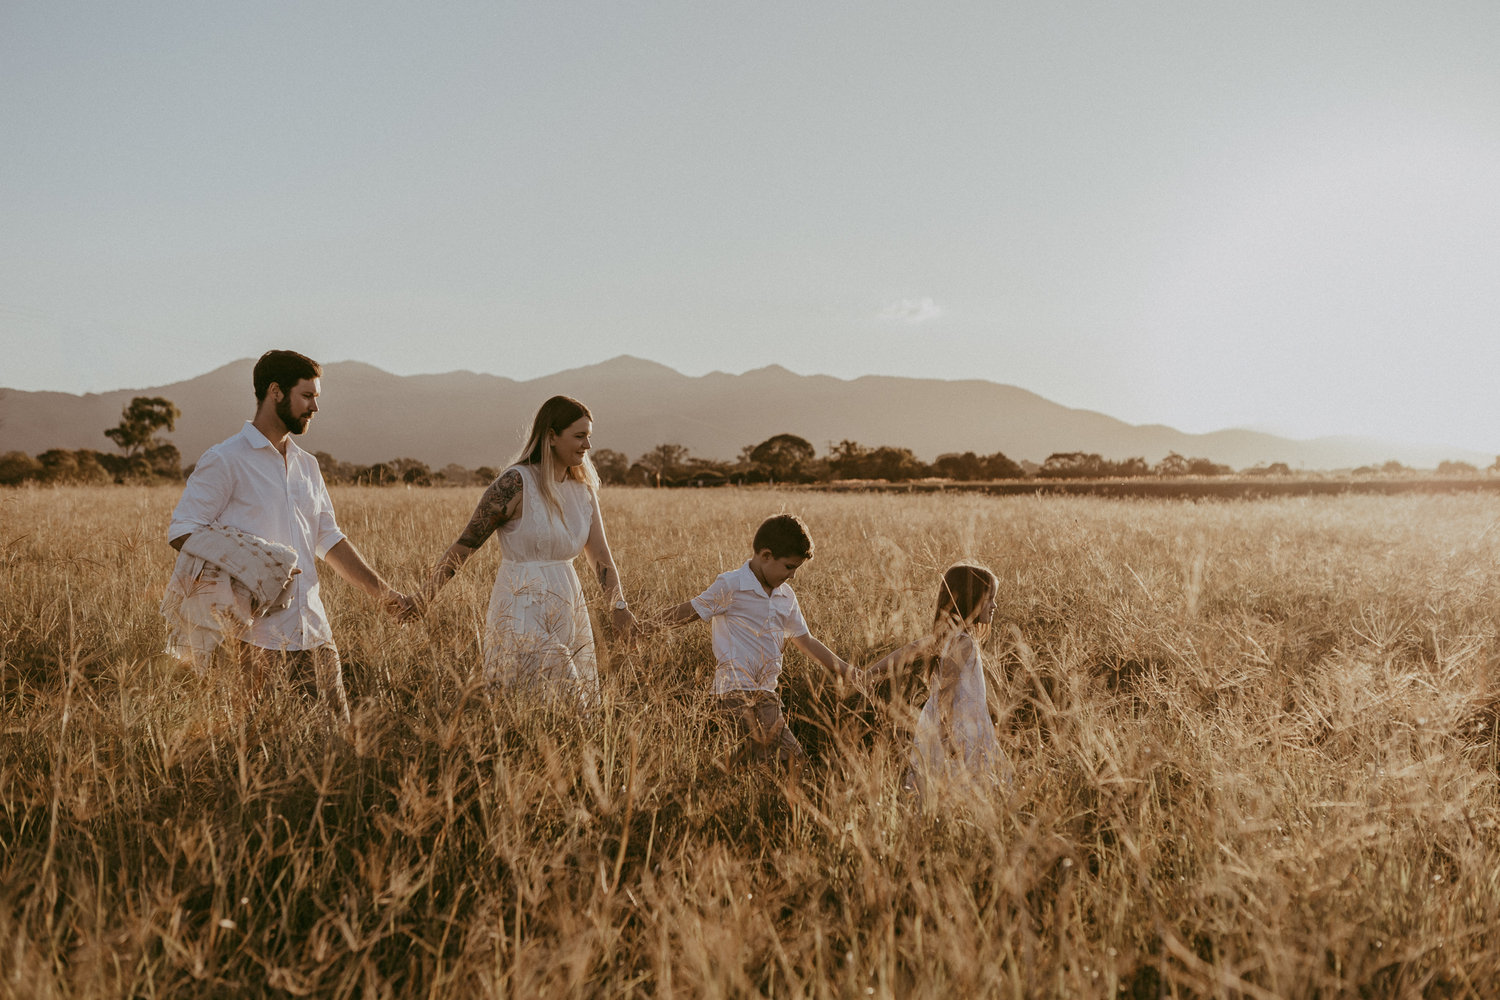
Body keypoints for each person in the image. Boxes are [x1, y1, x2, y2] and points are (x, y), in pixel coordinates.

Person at [167, 350, 413, 725]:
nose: (315, 407)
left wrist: (385, 594)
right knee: (256, 745)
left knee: (336, 742)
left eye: (316, 397)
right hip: (251, 639)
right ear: (276, 392)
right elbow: (184, 529)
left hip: (314, 632)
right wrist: (256, 561)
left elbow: (329, 539)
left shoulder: (307, 465)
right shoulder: (225, 459)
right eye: (307, 396)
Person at [419, 395, 638, 706]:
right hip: (521, 602)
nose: (587, 445)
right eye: (579, 436)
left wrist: (619, 607)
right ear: (551, 436)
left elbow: (602, 559)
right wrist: (424, 597)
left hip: (567, 602)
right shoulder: (515, 482)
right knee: (558, 690)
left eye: (589, 436)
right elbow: (466, 544)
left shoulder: (583, 490)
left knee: (562, 707)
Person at [656, 513, 853, 782]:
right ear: (765, 555)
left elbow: (805, 640)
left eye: (796, 569)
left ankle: (712, 785)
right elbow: (690, 610)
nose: (793, 575)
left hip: (767, 693)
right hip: (735, 692)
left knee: (770, 765)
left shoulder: (786, 596)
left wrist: (846, 671)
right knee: (781, 763)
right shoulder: (732, 585)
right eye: (789, 567)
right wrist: (644, 628)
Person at [860, 563, 1010, 804]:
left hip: (947, 726)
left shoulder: (947, 637)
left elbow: (908, 651)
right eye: (989, 598)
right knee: (964, 792)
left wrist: (868, 673)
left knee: (938, 791)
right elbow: (945, 694)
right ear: (971, 598)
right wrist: (946, 738)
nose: (994, 605)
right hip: (958, 732)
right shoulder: (963, 642)